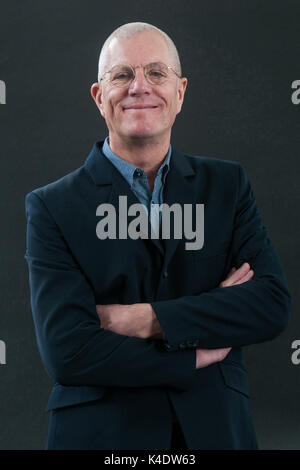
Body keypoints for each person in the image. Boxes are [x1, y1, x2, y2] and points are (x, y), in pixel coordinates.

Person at [24, 22, 291, 450]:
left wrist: (143, 318)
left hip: (215, 431)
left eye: (156, 72)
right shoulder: (51, 206)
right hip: (101, 436)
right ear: (99, 96)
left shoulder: (227, 186)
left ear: (180, 92)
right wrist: (194, 352)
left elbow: (270, 304)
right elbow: (67, 351)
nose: (139, 87)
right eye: (122, 74)